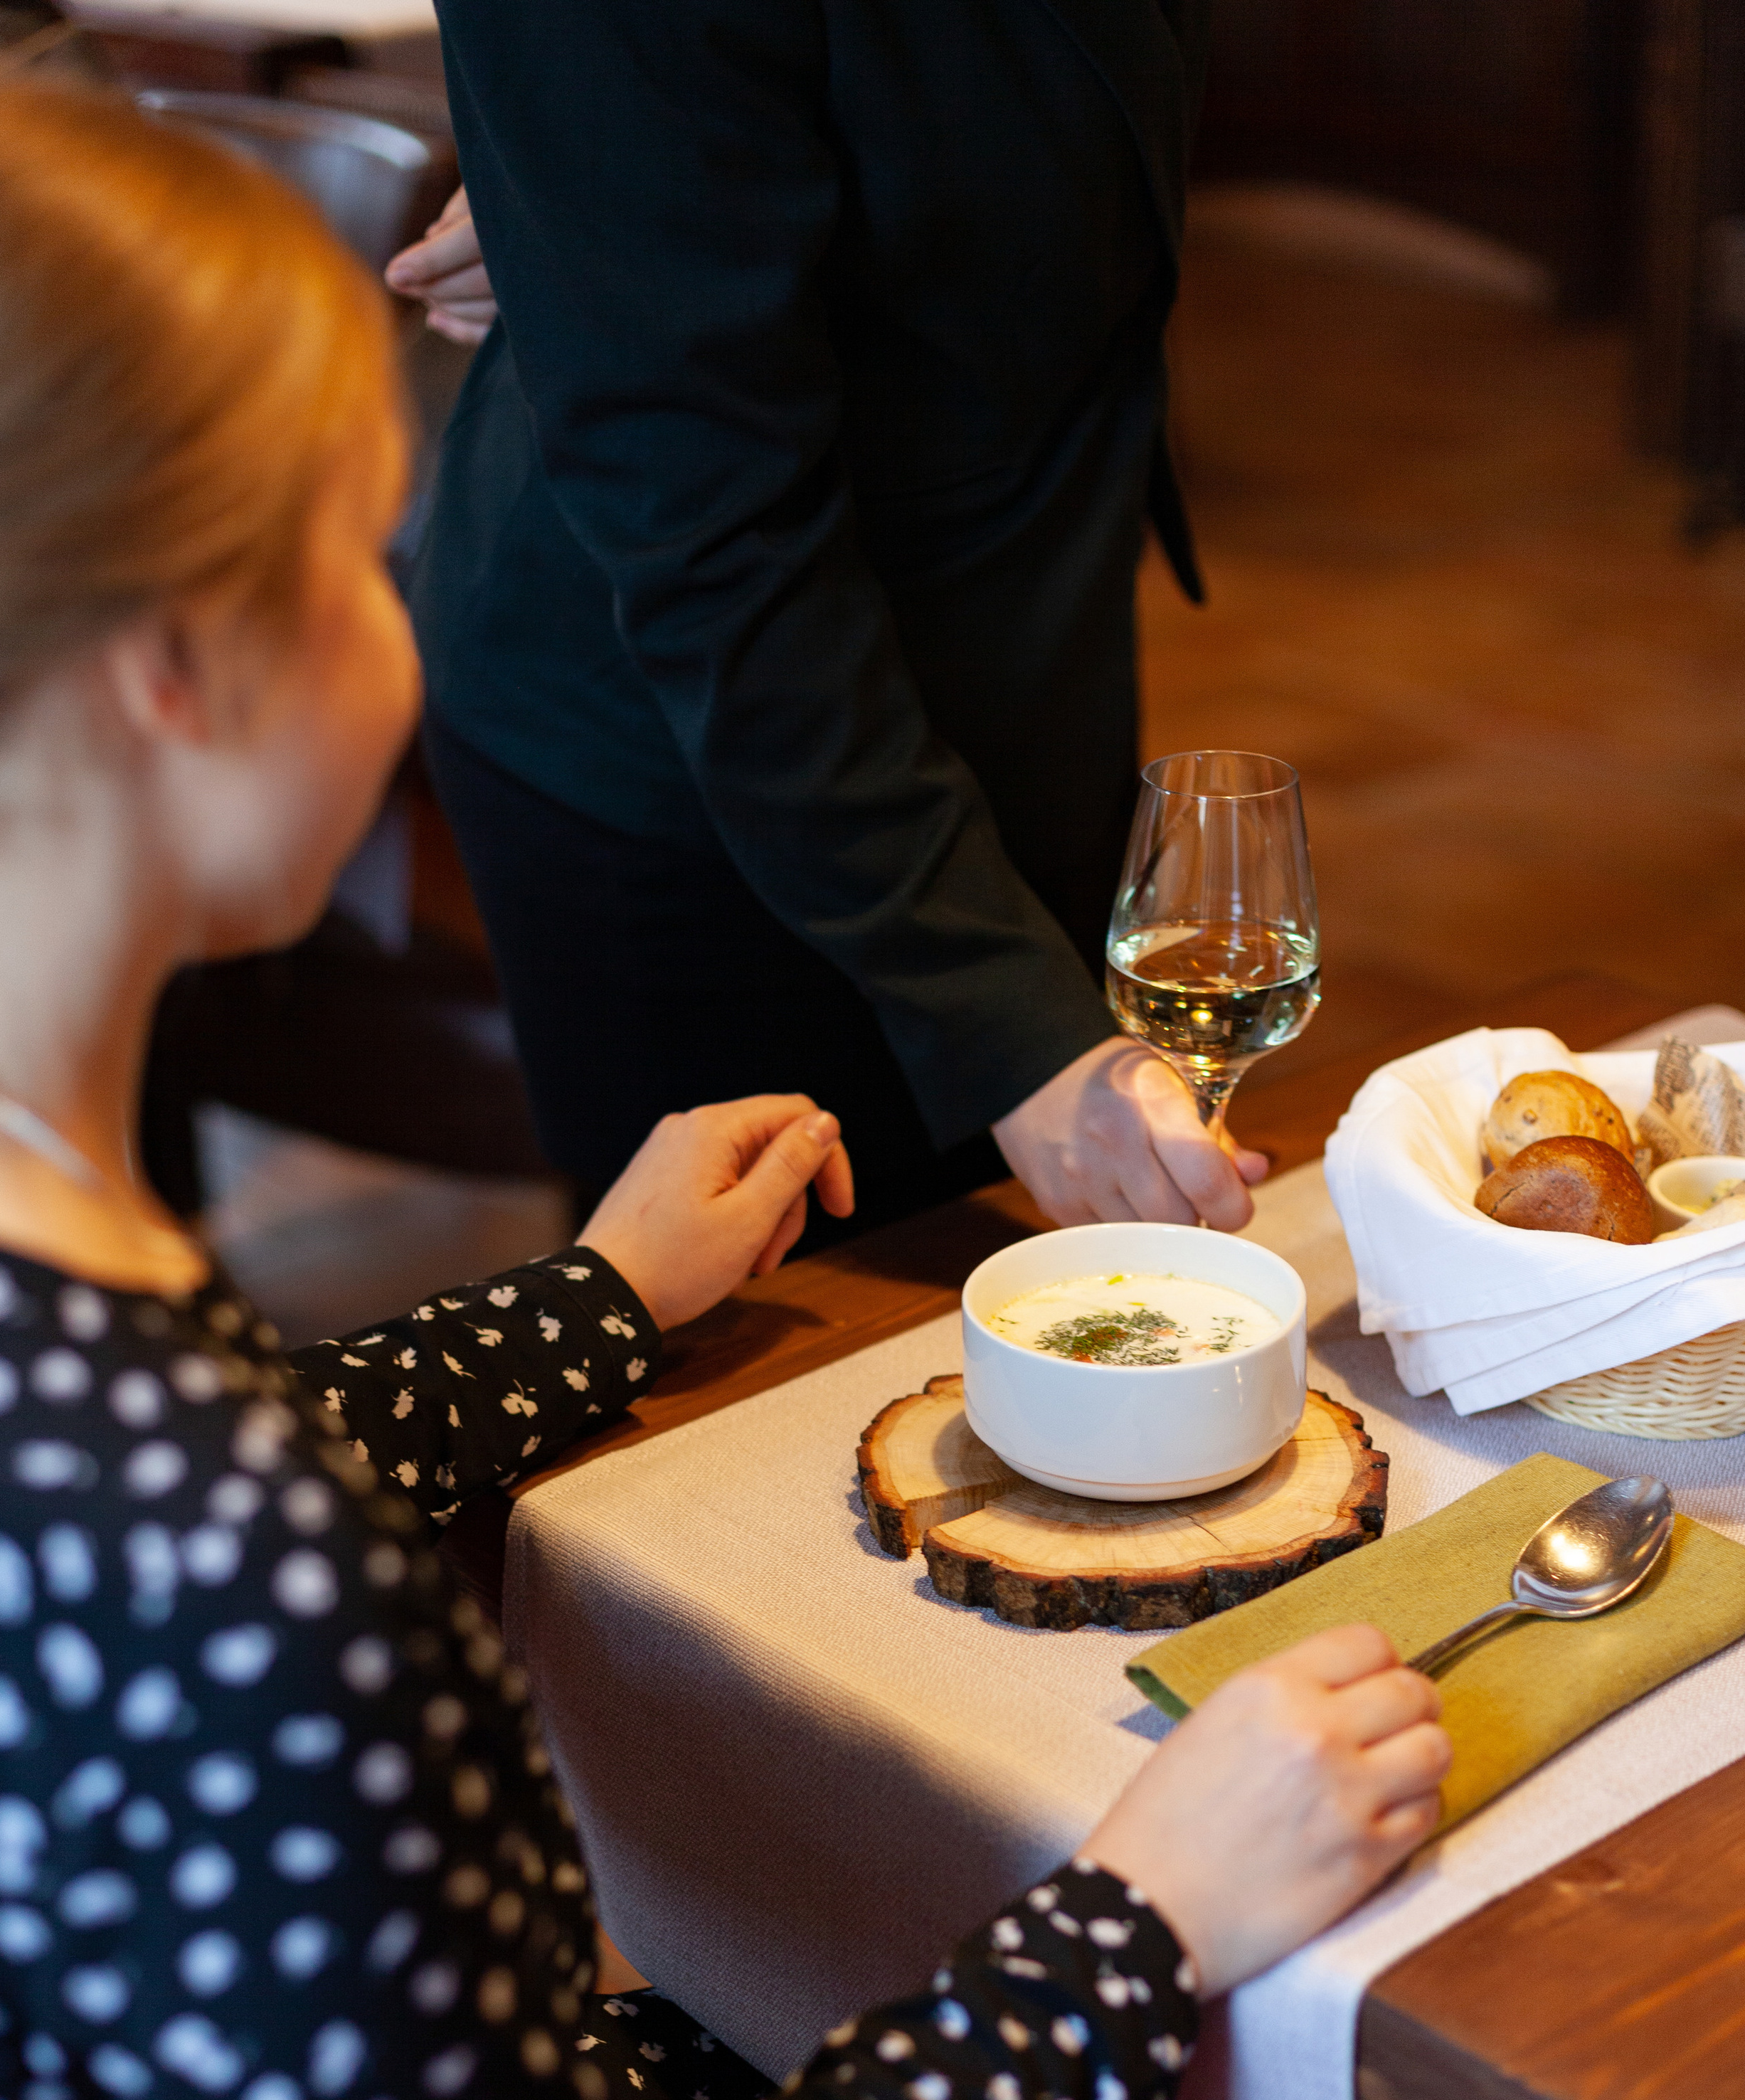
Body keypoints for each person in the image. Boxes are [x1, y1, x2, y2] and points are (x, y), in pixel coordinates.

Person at [0, 63, 1451, 2100]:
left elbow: (184, 1498)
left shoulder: (73, 1352)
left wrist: (593, 1304)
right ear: (175, 673)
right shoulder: (218, 1574)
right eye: (357, 537)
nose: (423, 586)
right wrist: (1136, 1930)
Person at [391, 3, 1272, 1246]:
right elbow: (710, 529)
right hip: (712, 735)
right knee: (793, 1367)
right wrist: (600, 191)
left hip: (1025, 615)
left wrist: (649, 180)